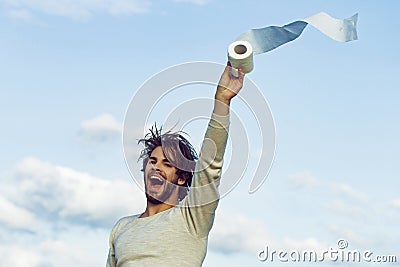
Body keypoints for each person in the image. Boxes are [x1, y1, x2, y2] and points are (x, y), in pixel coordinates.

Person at [106, 62, 244, 267]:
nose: (156, 167)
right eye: (152, 161)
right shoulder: (122, 227)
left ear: (181, 177)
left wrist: (222, 101)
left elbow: (209, 167)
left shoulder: (191, 218)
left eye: (167, 164)